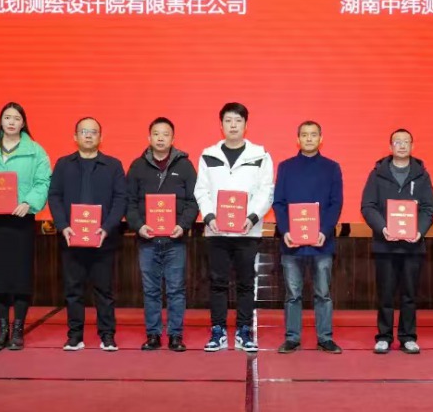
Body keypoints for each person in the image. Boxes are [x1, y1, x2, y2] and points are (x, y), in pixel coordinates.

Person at [0, 102, 51, 352]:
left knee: (21, 276)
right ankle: (2, 329)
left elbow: (43, 182)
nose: (11, 122)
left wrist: (29, 203)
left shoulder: (36, 151)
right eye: (7, 117)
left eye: (16, 118)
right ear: (1, 121)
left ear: (23, 123)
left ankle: (18, 330)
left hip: (21, 219)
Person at [194, 102, 275, 353]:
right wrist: (209, 217)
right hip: (216, 231)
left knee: (246, 283)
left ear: (245, 125)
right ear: (221, 125)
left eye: (238, 121)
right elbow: (201, 190)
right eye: (228, 120)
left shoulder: (260, 155)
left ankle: (243, 330)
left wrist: (252, 217)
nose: (233, 125)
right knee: (217, 282)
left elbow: (266, 191)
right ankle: (218, 330)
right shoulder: (208, 155)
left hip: (247, 231)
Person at [49, 117, 127, 352]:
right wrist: (63, 225)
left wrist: (107, 227)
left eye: (93, 132)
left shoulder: (113, 165)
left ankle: (107, 335)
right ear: (75, 137)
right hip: (71, 238)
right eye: (84, 131)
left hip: (103, 239)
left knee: (104, 290)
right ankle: (75, 336)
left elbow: (120, 199)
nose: (89, 135)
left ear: (100, 137)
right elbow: (54, 196)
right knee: (73, 290)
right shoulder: (63, 164)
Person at [360, 128, 433, 355]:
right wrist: (383, 228)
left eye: (406, 142)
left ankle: (408, 337)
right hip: (385, 244)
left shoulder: (422, 175)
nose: (402, 145)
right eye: (397, 142)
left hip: (413, 245)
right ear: (390, 146)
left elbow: (429, 208)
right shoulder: (377, 174)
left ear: (412, 146)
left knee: (409, 295)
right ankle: (384, 336)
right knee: (385, 294)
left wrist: (419, 231)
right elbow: (367, 206)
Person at [126, 117, 199, 352]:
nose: (160, 138)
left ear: (173, 138)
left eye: (165, 134)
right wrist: (139, 226)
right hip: (147, 240)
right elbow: (129, 202)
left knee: (176, 289)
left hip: (175, 240)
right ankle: (153, 335)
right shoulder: (137, 166)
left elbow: (194, 201)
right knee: (151, 290)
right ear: (149, 138)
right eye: (156, 134)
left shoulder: (185, 166)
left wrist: (183, 225)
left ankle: (176, 335)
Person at [273, 120, 344, 355]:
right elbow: (279, 203)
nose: (309, 138)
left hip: (322, 243)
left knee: (323, 293)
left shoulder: (332, 168)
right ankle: (292, 338)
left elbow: (336, 203)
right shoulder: (285, 167)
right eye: (304, 135)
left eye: (313, 135)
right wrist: (286, 231)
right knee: (292, 294)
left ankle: (325, 338)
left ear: (321, 139)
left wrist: (324, 231)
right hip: (291, 243)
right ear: (298, 139)